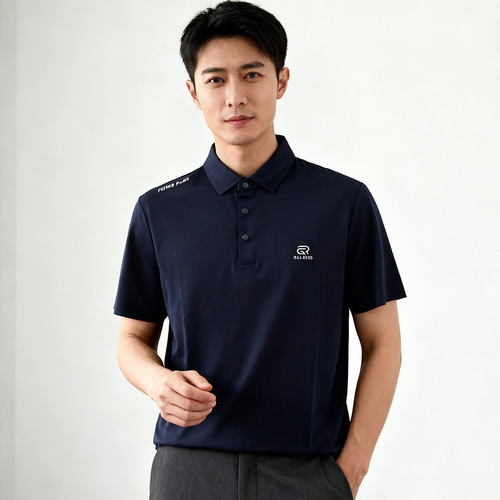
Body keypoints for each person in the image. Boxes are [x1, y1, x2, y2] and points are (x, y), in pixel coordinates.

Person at [115, 1, 406, 498]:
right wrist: (156, 382)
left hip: (308, 473)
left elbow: (384, 344)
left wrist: (351, 468)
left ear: (281, 81)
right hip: (188, 470)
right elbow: (131, 339)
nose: (235, 97)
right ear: (193, 92)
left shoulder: (342, 202)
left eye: (252, 74)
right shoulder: (159, 210)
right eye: (215, 80)